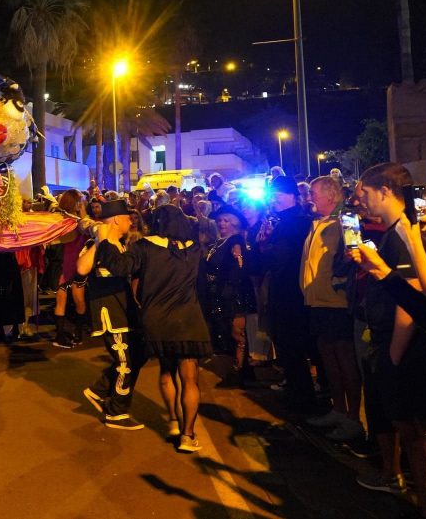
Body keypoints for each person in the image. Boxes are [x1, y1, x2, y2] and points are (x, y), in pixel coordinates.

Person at [347, 164, 426, 508]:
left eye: (365, 193)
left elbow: (413, 298)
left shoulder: (406, 233)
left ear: (384, 191)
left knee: (417, 433)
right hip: (395, 342)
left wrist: (394, 356)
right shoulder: (396, 231)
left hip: (406, 348)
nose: (361, 201)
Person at [117, 205, 212, 451]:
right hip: (189, 317)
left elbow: (128, 275)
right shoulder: (194, 249)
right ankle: (188, 435)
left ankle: (172, 419)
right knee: (190, 379)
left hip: (158, 318)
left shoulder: (143, 247)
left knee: (166, 371)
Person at [300, 176, 363, 442]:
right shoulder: (320, 222)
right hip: (319, 301)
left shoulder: (346, 219)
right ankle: (338, 409)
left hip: (338, 302)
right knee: (329, 358)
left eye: (313, 193)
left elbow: (356, 255)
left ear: (330, 194)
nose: (309, 197)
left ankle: (354, 418)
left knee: (345, 359)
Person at [79, 199, 147, 430]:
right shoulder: (98, 242)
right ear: (117, 219)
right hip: (110, 313)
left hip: (125, 312)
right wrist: (99, 241)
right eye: (128, 217)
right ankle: (116, 413)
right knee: (125, 363)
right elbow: (81, 269)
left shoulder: (121, 244)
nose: (132, 221)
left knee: (136, 356)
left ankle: (98, 391)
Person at [257, 175, 316, 414]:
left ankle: (302, 398)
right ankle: (297, 392)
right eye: (273, 195)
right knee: (287, 347)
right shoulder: (284, 220)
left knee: (293, 348)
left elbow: (281, 258)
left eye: (279, 195)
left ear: (293, 196)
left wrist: (265, 250)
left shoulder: (298, 221)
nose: (275, 199)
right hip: (286, 290)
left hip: (293, 293)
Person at [204, 204, 256, 387]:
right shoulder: (219, 242)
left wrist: (230, 288)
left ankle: (239, 371)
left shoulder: (235, 241)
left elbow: (239, 267)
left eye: (226, 220)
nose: (221, 224)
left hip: (234, 294)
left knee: (237, 334)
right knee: (228, 332)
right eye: (219, 221)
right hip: (220, 293)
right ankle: (242, 370)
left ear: (235, 223)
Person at [52, 190, 90, 349]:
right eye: (80, 200)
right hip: (64, 266)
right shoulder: (66, 222)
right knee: (62, 301)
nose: (82, 202)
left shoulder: (80, 220)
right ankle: (60, 336)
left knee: (79, 301)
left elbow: (88, 228)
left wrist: (82, 213)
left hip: (76, 266)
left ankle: (77, 333)